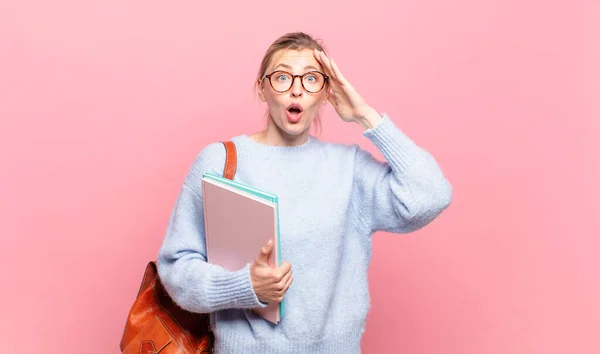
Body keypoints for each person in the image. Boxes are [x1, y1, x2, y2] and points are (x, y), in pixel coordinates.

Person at [157, 31, 453, 353]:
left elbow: (431, 194)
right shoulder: (221, 161)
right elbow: (177, 268)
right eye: (282, 77)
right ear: (262, 88)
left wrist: (366, 116)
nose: (297, 89)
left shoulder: (349, 169)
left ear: (326, 91)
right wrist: (243, 286)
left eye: (311, 79)